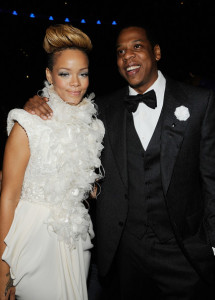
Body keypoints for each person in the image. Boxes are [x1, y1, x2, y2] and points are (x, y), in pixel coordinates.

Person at [23, 23, 215, 300]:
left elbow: (211, 180)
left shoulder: (200, 102)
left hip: (184, 254)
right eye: (120, 51)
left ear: (156, 52)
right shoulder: (100, 109)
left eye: (137, 46)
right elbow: (63, 110)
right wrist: (36, 101)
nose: (128, 56)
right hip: (126, 256)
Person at [0, 23, 105, 300]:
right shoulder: (27, 123)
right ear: (49, 75)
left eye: (83, 74)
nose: (75, 82)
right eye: (64, 73)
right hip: (32, 242)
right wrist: (2, 266)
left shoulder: (92, 128)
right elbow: (8, 197)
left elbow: (90, 186)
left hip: (76, 240)